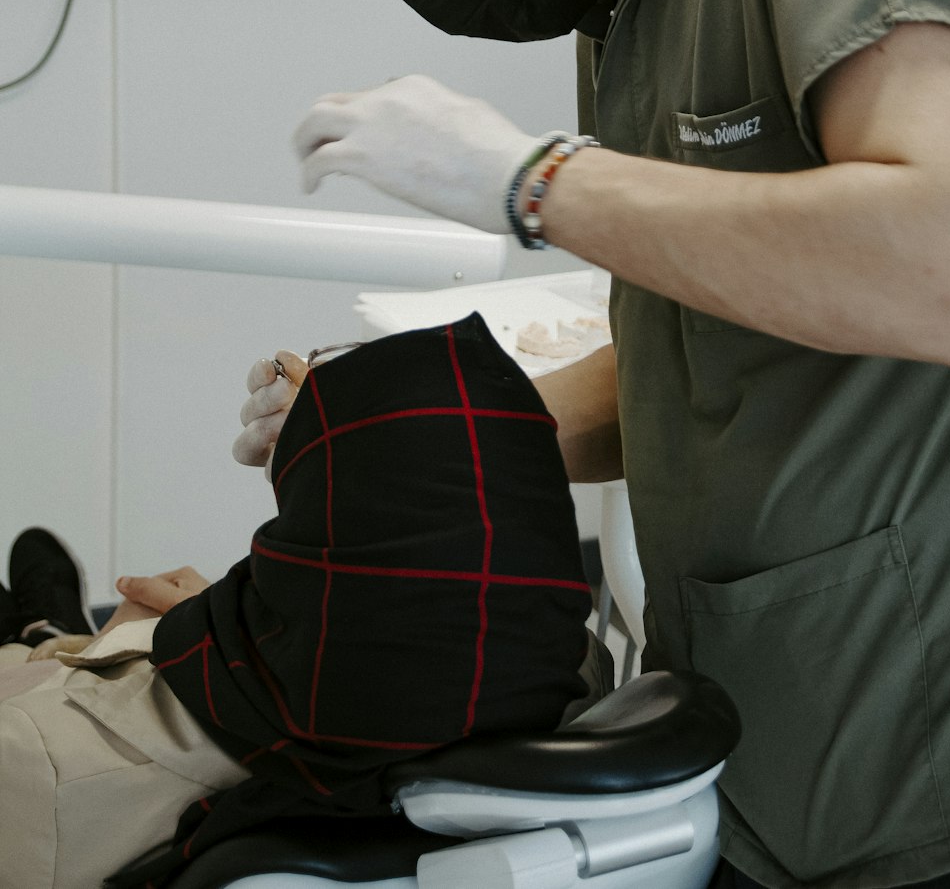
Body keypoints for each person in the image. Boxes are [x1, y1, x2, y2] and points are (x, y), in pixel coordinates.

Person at [236, 0, 950, 889]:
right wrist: (391, 436)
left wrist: (532, 181)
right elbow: (689, 353)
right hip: (770, 766)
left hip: (941, 780)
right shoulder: (626, 1)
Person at [0, 318, 597, 889]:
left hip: (53, 737)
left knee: (44, 653)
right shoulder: (575, 678)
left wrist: (117, 645)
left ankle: (44, 634)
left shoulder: (37, 760)